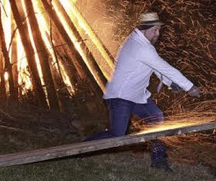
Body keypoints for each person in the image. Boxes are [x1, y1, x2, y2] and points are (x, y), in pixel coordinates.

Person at [85, 12, 201, 172]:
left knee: (157, 120)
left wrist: (170, 83)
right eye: (156, 30)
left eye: (159, 30)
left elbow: (155, 68)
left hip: (137, 96)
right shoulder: (140, 46)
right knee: (117, 135)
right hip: (121, 96)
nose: (158, 34)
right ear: (146, 29)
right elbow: (164, 67)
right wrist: (190, 87)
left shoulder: (141, 43)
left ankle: (159, 159)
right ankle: (80, 148)